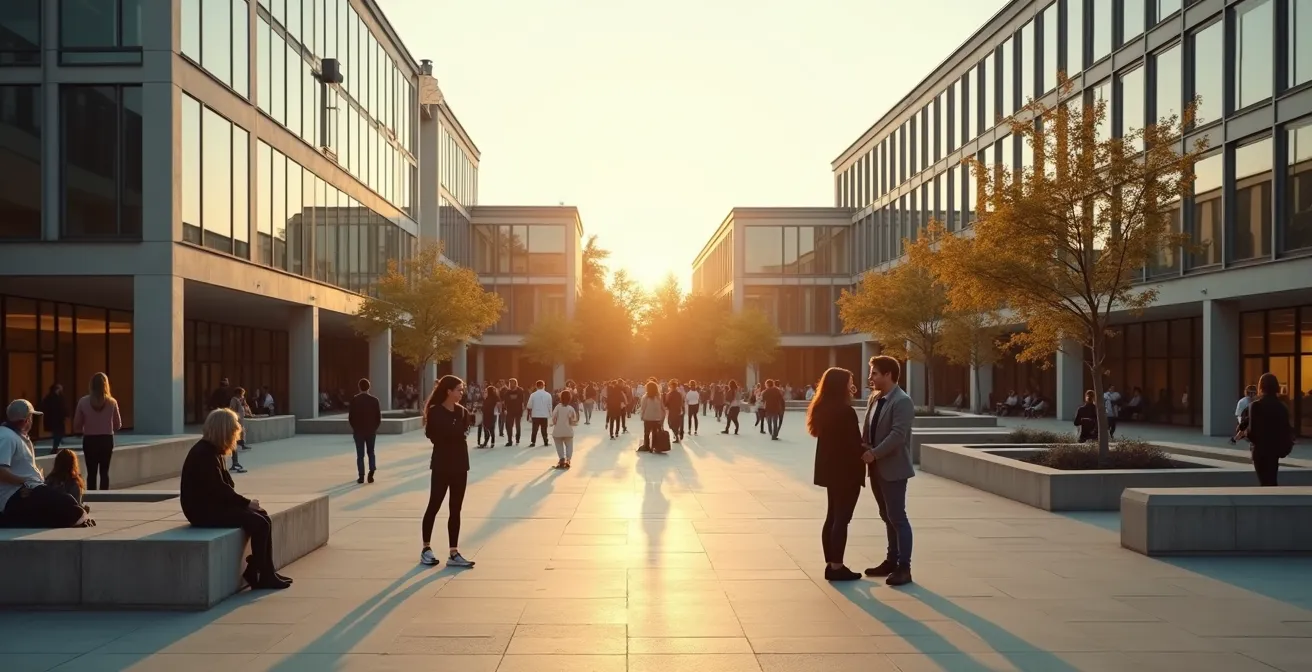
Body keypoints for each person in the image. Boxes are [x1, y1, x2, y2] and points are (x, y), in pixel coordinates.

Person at [181, 408, 291, 590]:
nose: (236, 435)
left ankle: (266, 571)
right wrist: (246, 503)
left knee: (264, 517)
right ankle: (258, 572)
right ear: (223, 431)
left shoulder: (213, 451)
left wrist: (245, 504)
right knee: (260, 523)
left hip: (212, 505)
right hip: (202, 512)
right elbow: (219, 489)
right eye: (233, 431)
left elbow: (224, 486)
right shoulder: (204, 454)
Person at [861, 356, 915, 587]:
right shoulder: (875, 398)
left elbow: (898, 435)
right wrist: (863, 447)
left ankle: (904, 567)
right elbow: (868, 428)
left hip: (893, 468)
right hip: (875, 468)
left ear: (888, 374)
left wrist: (875, 453)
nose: (870, 377)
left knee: (897, 517)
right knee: (886, 516)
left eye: (874, 373)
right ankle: (891, 560)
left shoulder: (902, 401)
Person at [808, 368, 865, 582]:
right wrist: (869, 450)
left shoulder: (822, 408)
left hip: (830, 470)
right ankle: (837, 566)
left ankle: (830, 563)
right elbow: (853, 444)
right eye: (850, 382)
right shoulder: (845, 411)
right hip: (846, 471)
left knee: (832, 516)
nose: (852, 386)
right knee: (842, 518)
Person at [0, 400, 90, 528]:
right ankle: (8, 519)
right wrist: (24, 483)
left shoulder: (16, 436)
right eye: (31, 418)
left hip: (27, 489)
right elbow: (1, 471)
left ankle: (79, 518)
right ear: (27, 420)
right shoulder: (7, 437)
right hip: (14, 496)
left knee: (69, 502)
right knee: (67, 505)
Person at [420, 375, 475, 568]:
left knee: (455, 509)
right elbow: (436, 436)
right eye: (459, 390)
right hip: (442, 464)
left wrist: (455, 431)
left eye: (462, 389)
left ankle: (454, 552)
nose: (462, 393)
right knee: (434, 504)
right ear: (448, 391)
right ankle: (426, 548)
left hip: (460, 464)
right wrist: (456, 431)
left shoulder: (462, 411)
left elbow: (463, 431)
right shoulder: (435, 411)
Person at [1243, 373, 1295, 487]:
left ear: (1261, 386)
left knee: (1264, 481)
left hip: (1260, 450)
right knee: (1272, 479)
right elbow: (1286, 429)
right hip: (1274, 450)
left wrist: (1245, 433)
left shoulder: (1255, 406)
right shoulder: (1282, 407)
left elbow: (1252, 433)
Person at [73, 373, 122, 490]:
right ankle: (104, 496)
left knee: (91, 472)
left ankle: (92, 495)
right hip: (106, 439)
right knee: (104, 472)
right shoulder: (112, 402)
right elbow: (118, 425)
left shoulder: (83, 402)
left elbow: (77, 425)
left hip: (90, 440)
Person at [349, 378, 382, 484]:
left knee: (360, 454)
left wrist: (355, 428)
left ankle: (361, 476)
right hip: (371, 430)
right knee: (371, 452)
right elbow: (378, 417)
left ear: (359, 387)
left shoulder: (354, 400)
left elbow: (351, 417)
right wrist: (374, 428)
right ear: (369, 387)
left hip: (359, 431)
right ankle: (371, 472)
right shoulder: (375, 400)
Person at [551, 389, 579, 469]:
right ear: (570, 398)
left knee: (559, 444)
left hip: (558, 431)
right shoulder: (570, 408)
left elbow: (554, 418)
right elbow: (574, 420)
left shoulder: (557, 407)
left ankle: (561, 459)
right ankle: (568, 459)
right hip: (568, 431)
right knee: (569, 445)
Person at [638, 381, 666, 453]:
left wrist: (642, 416)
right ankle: (655, 446)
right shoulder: (659, 397)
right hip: (657, 418)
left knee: (646, 432)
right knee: (655, 432)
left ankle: (646, 446)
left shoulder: (645, 397)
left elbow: (643, 408)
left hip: (648, 417)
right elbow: (662, 407)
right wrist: (663, 416)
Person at [39, 384, 67, 455]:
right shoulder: (56, 397)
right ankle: (55, 447)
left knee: (57, 433)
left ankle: (56, 446)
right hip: (57, 419)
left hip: (55, 419)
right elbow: (62, 407)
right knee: (58, 433)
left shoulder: (51, 397)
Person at [527, 380, 553, 448]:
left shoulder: (533, 395)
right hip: (544, 415)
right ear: (543, 386)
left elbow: (529, 405)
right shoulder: (548, 395)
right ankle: (545, 441)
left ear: (536, 386)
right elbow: (550, 405)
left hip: (535, 414)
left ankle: (533, 442)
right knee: (544, 429)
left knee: (534, 429)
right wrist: (551, 413)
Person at [500, 379, 526, 447]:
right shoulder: (507, 392)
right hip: (510, 411)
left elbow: (522, 401)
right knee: (509, 426)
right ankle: (510, 440)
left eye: (513, 383)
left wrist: (522, 409)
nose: (511, 384)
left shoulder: (520, 390)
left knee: (517, 425)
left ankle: (517, 439)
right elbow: (505, 401)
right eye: (510, 383)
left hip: (518, 410)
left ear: (516, 383)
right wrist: (504, 409)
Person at [478, 384, 500, 449]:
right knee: (491, 428)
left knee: (486, 428)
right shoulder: (496, 397)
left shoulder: (488, 398)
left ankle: (485, 442)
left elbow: (484, 406)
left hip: (486, 414)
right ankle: (492, 442)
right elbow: (498, 405)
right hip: (492, 414)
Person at [665, 379, 684, 444]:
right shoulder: (679, 394)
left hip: (672, 411)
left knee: (671, 424)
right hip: (677, 410)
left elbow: (667, 403)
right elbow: (681, 402)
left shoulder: (669, 394)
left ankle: (676, 435)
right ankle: (677, 434)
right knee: (676, 424)